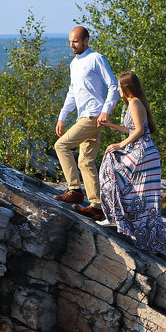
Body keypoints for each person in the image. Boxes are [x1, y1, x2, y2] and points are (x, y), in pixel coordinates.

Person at [96, 72, 166, 253]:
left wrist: (120, 145)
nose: (118, 90)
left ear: (127, 87)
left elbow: (137, 131)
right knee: (140, 195)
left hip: (143, 153)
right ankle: (141, 235)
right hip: (144, 152)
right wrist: (110, 125)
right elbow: (131, 130)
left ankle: (117, 218)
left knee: (113, 167)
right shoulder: (134, 103)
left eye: (120, 87)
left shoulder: (135, 103)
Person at [54, 26, 119, 219]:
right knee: (85, 162)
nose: (72, 45)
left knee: (61, 146)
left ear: (86, 41)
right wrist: (62, 116)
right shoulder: (74, 64)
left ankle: (74, 190)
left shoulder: (96, 58)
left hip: (93, 116)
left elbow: (113, 85)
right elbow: (72, 92)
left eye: (75, 41)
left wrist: (106, 110)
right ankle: (97, 206)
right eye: (70, 42)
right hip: (83, 116)